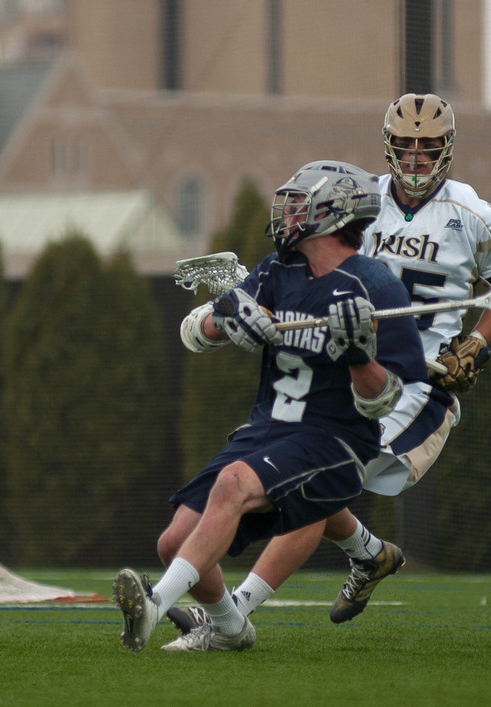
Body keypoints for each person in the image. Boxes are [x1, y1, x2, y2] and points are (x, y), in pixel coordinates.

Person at [167, 93, 491, 640]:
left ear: (447, 149)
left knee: (313, 473)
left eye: (426, 147)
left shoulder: (473, 213)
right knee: (300, 471)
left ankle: (234, 612)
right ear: (387, 147)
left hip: (412, 382)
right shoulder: (359, 199)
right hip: (334, 371)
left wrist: (476, 344)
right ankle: (368, 554)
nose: (414, 159)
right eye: (404, 147)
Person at [113, 162, 432, 652]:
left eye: (298, 205)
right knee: (173, 543)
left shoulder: (376, 287)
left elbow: (383, 401)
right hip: (268, 429)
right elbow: (203, 330)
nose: (286, 214)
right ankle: (231, 628)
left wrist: (357, 357)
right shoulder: (276, 271)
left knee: (233, 483)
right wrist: (230, 317)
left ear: (332, 212)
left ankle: (153, 605)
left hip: (335, 439)